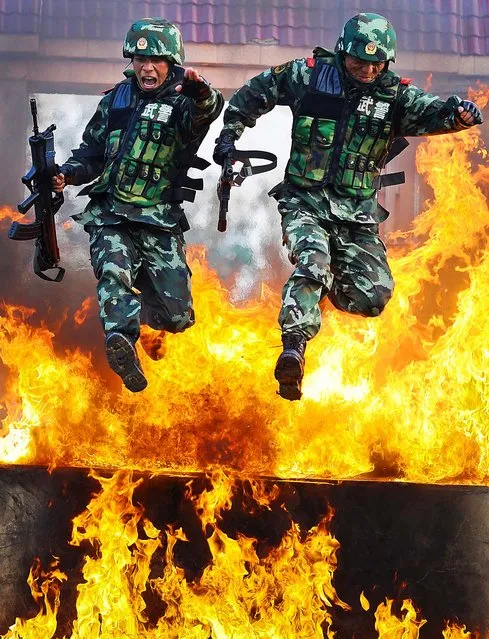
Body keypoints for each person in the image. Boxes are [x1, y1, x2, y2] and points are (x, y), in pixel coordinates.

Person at [213, 12, 483, 401]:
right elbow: (252, 95)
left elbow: (431, 112)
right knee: (313, 262)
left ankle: (320, 292)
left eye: (377, 63)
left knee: (372, 297)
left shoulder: (395, 95)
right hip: (304, 201)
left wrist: (458, 116)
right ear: (342, 54)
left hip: (356, 215)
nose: (368, 69)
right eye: (359, 61)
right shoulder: (307, 75)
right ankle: (294, 349)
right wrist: (229, 139)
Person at [53, 18, 224, 392]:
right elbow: (92, 154)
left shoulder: (184, 100)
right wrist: (67, 173)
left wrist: (200, 92)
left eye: (157, 60)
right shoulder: (116, 99)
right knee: (113, 274)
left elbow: (207, 111)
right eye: (140, 59)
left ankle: (141, 317)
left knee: (178, 317)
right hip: (111, 214)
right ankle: (121, 340)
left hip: (159, 220)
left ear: (172, 63)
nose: (147, 67)